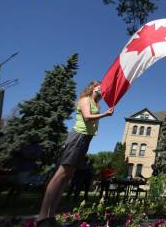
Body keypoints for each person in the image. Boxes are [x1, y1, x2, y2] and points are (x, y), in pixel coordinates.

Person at [36, 81, 114, 227]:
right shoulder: (85, 100)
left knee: (67, 177)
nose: (102, 88)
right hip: (78, 137)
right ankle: (42, 217)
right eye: (99, 85)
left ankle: (51, 216)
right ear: (92, 87)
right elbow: (86, 117)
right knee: (60, 174)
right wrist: (105, 114)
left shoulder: (96, 103)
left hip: (85, 139)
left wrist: (103, 111)